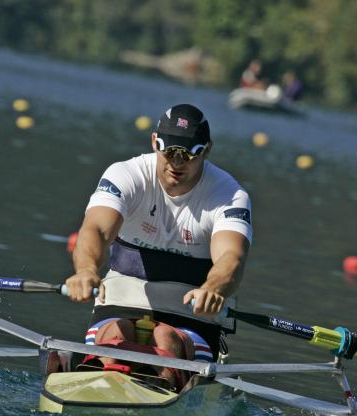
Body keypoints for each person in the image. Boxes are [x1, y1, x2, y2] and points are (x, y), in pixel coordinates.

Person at [64, 104, 252, 391]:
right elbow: (96, 230)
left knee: (166, 338)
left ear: (207, 150)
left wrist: (214, 288)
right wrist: (86, 270)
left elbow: (231, 258)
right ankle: (104, 381)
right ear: (155, 142)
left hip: (192, 318)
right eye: (170, 152)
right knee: (117, 332)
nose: (178, 163)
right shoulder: (125, 175)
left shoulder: (229, 195)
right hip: (118, 305)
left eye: (189, 154)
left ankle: (158, 388)